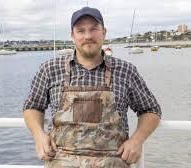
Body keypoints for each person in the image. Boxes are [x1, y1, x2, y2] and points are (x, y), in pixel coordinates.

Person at [23, 6, 161, 168]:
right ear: (72, 35)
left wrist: (137, 141)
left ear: (104, 32)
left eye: (94, 29)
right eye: (80, 31)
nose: (88, 36)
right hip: (61, 161)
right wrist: (39, 136)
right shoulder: (50, 69)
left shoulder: (125, 70)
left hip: (113, 162)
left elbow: (151, 110)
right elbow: (33, 106)